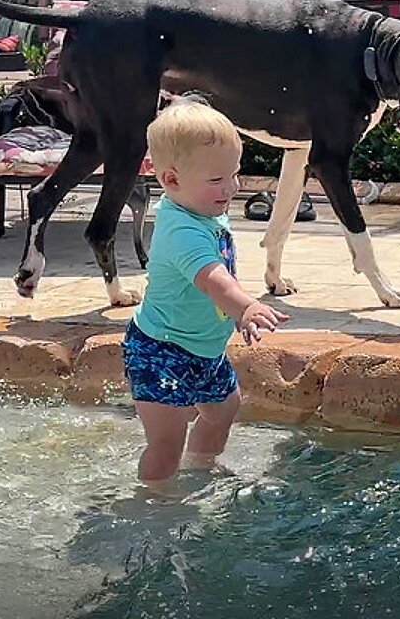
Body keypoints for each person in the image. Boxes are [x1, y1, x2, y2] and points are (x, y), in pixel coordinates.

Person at [122, 97, 289, 495]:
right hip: (160, 351)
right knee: (166, 442)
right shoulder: (182, 231)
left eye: (233, 174)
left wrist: (233, 318)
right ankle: (153, 501)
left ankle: (201, 468)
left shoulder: (203, 208)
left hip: (202, 348)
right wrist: (245, 306)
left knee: (222, 410)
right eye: (217, 180)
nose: (230, 188)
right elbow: (215, 279)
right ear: (171, 180)